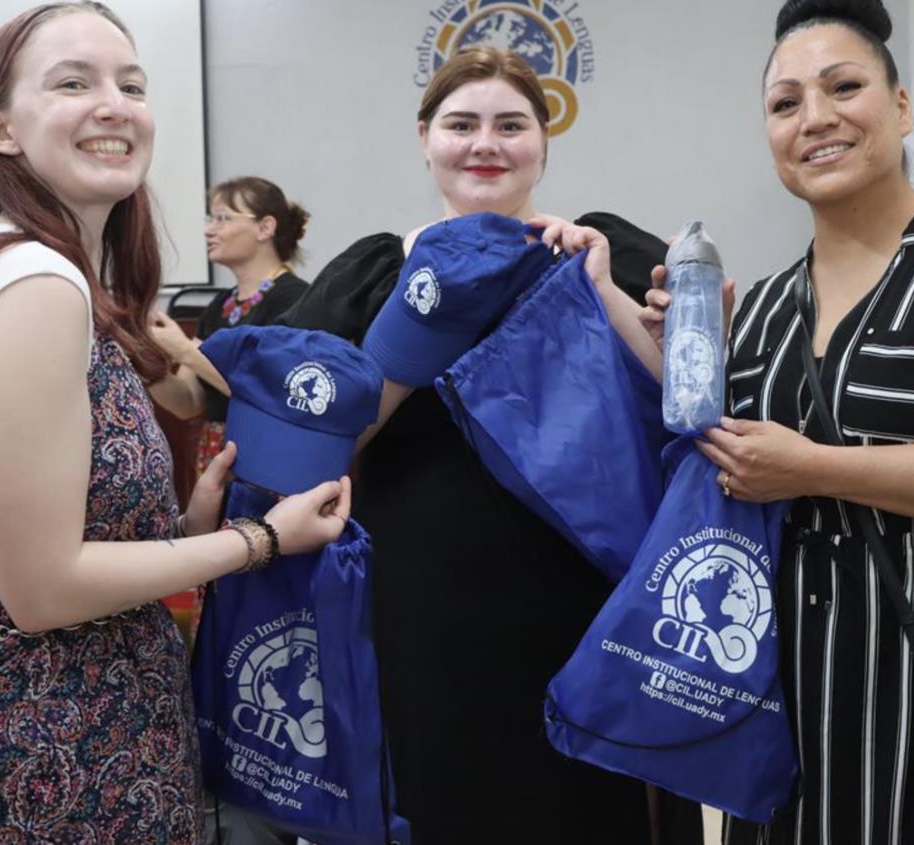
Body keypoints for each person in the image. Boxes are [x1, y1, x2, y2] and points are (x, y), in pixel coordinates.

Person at [0, 3, 351, 841]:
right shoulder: (35, 283)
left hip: (92, 731)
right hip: (58, 755)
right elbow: (40, 591)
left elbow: (42, 542)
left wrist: (181, 526)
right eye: (73, 83)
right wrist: (262, 540)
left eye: (130, 84)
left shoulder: (42, 272)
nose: (114, 104)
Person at [641, 1, 914, 842]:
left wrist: (815, 465)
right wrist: (684, 362)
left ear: (904, 106)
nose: (816, 118)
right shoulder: (765, 306)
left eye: (844, 86)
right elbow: (724, 481)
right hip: (786, 711)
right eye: (784, 103)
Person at [282, 47, 674, 845]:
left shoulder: (605, 253)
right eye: (461, 124)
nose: (484, 143)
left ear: (542, 144)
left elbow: (682, 407)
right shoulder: (375, 274)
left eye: (510, 124)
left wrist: (596, 287)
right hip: (420, 608)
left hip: (582, 597)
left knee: (582, 808)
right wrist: (417, 328)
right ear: (425, 138)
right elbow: (302, 448)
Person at [149, 177, 311, 475]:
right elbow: (188, 402)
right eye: (211, 218)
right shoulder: (219, 306)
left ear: (265, 228)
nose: (209, 230)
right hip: (214, 460)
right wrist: (146, 362)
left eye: (222, 218)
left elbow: (270, 393)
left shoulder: (294, 299)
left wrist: (185, 350)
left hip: (264, 457)